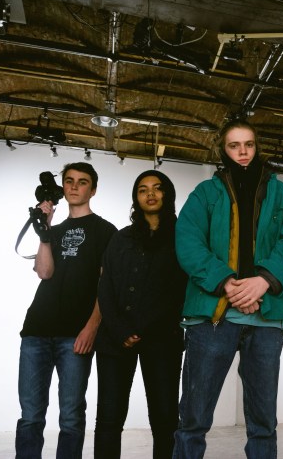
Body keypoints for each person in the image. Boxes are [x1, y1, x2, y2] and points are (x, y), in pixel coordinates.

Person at [172, 121, 283, 458]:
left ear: (257, 146)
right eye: (234, 146)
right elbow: (188, 242)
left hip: (268, 317)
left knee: (264, 422)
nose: (243, 152)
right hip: (212, 316)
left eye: (248, 144)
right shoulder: (205, 193)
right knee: (194, 417)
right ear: (224, 149)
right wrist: (228, 284)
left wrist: (263, 280)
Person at [16, 162, 117, 458]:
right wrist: (45, 233)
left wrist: (92, 326)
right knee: (31, 415)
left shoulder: (105, 231)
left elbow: (107, 286)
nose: (74, 186)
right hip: (36, 331)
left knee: (71, 416)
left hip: (75, 336)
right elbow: (45, 272)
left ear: (93, 189)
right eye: (69, 181)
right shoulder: (54, 230)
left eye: (82, 182)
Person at [94, 170, 186, 458]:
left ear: (167, 194)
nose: (150, 193)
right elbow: (105, 287)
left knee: (165, 419)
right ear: (135, 197)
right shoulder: (120, 238)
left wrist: (146, 329)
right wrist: (120, 329)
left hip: (162, 340)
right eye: (143, 189)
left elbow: (180, 291)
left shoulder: (183, 238)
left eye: (157, 188)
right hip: (115, 339)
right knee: (109, 419)